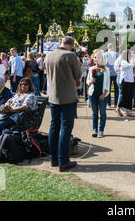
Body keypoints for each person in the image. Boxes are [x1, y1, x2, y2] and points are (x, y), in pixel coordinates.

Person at [45, 36, 81, 172]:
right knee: (66, 128)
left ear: (61, 43)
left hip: (53, 96)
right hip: (68, 97)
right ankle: (63, 161)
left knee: (54, 127)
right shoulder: (70, 55)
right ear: (71, 46)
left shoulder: (49, 55)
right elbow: (77, 76)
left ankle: (53, 158)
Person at [87, 51, 110, 138]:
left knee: (103, 113)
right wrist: (91, 81)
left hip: (102, 95)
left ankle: (101, 130)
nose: (97, 59)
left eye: (99, 57)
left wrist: (104, 94)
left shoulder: (106, 70)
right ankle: (95, 130)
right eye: (95, 57)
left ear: (102, 59)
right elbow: (87, 82)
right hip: (92, 94)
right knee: (94, 113)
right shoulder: (91, 69)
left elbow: (107, 84)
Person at [115, 49, 135, 118]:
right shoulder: (123, 62)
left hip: (130, 81)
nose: (131, 56)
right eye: (130, 55)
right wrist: (133, 59)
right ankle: (118, 108)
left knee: (130, 97)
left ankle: (128, 111)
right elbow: (129, 66)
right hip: (124, 81)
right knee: (124, 96)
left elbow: (132, 66)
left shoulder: (129, 61)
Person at [103, 44, 119, 108]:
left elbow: (103, 63)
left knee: (108, 88)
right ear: (113, 47)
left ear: (107, 48)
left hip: (108, 73)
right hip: (115, 73)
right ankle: (116, 104)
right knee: (116, 89)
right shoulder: (116, 54)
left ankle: (108, 104)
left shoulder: (105, 54)